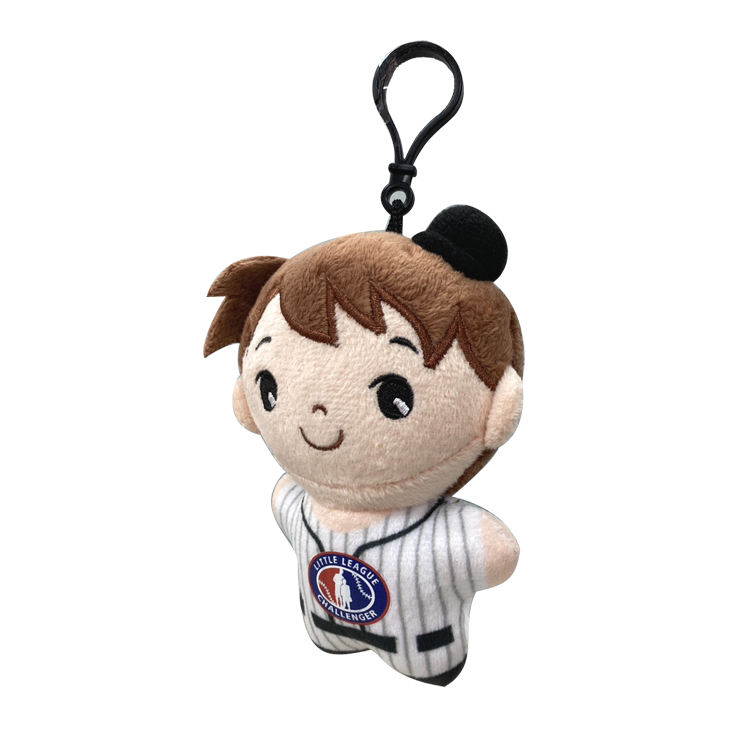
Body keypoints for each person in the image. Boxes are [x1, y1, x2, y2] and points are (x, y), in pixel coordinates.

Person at [205, 206, 523, 685]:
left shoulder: (444, 536)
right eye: (269, 386)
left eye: (394, 395)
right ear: (245, 400)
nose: (318, 416)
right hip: (324, 628)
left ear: (497, 411)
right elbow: (499, 558)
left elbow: (496, 555)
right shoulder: (298, 504)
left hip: (424, 650)